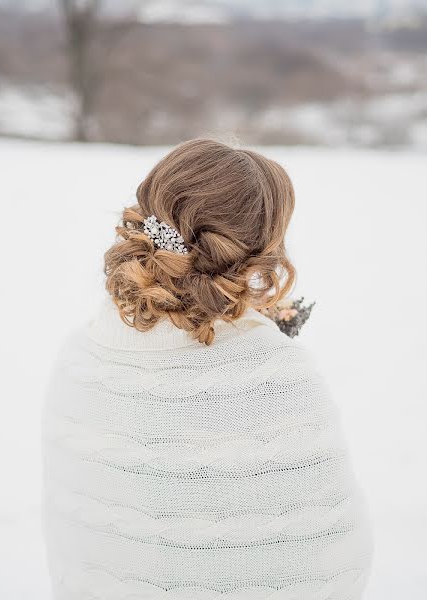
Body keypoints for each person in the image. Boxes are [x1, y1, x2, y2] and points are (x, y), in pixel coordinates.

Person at [42, 139, 372, 599]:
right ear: (262, 247)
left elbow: (81, 545)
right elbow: (333, 562)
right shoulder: (278, 376)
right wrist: (256, 338)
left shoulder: (80, 357)